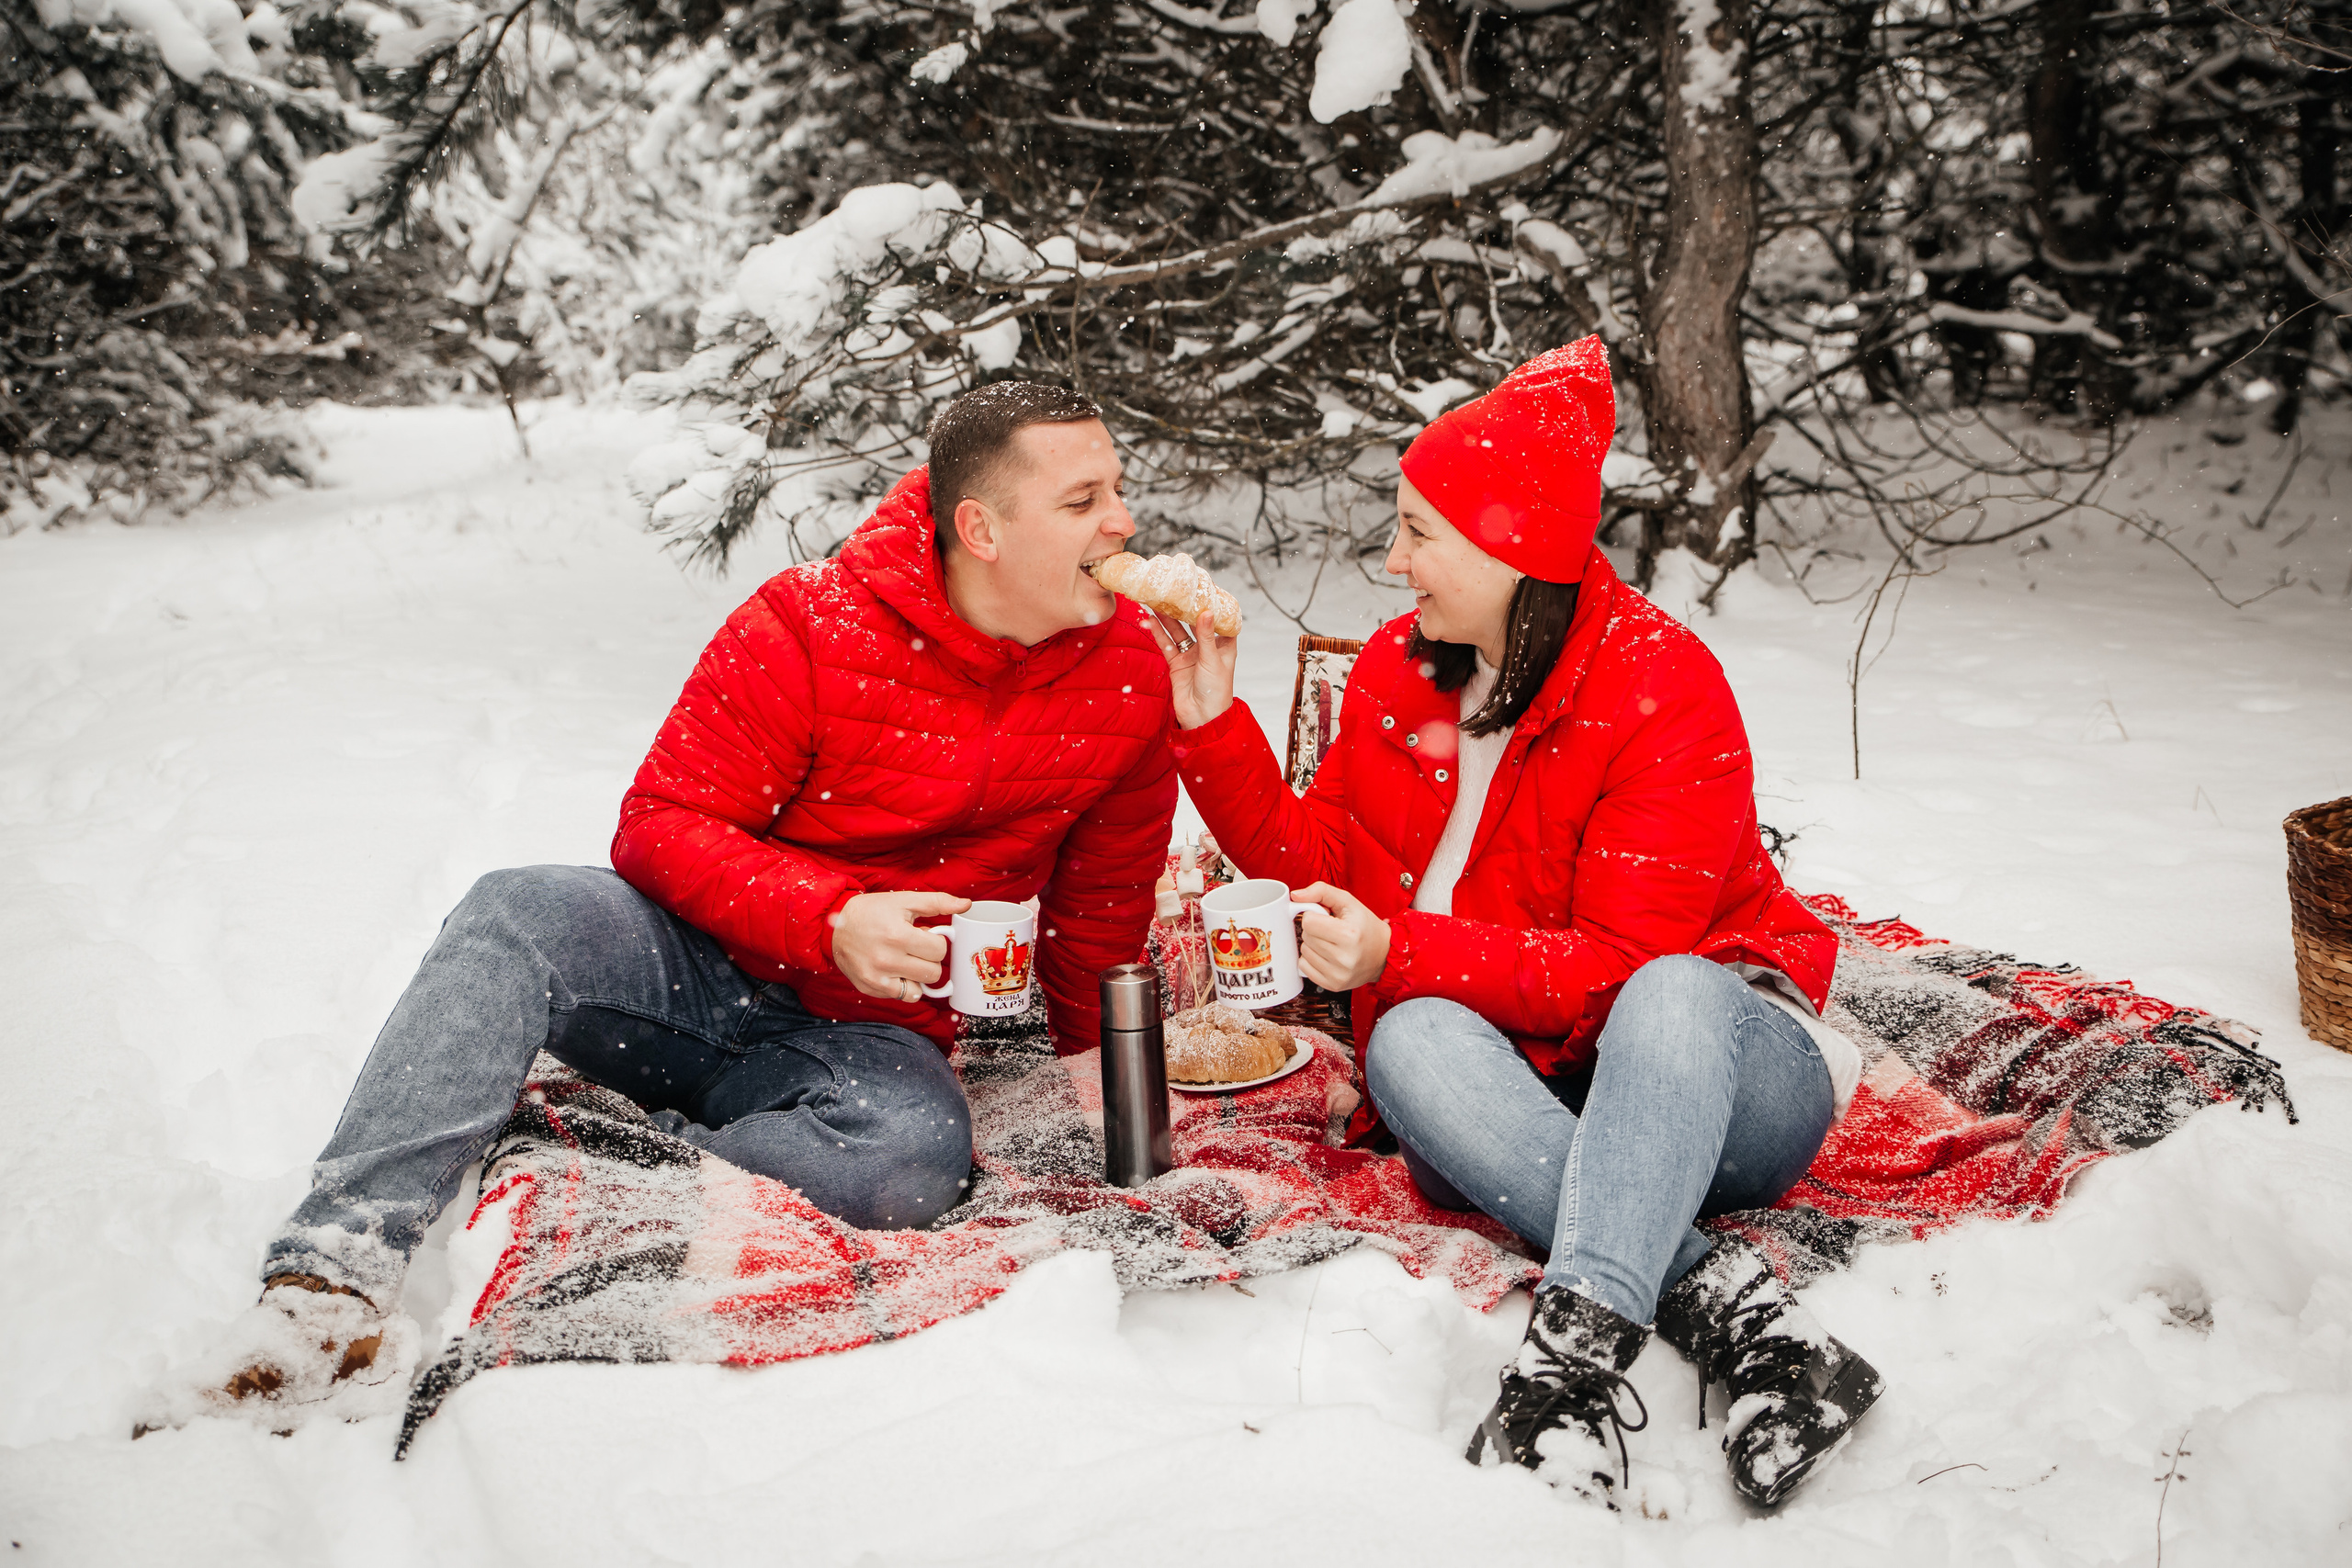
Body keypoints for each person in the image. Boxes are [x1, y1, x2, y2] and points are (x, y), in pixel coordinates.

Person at [195, 382, 1178, 1422]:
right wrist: (829, 918)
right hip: (693, 967)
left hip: (870, 1035)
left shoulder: (1125, 674)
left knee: (909, 1159)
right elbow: (659, 824)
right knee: (513, 910)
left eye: (1116, 489)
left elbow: (1099, 915)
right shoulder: (810, 622)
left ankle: (605, 1165)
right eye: (1084, 500)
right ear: (981, 527)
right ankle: (327, 1278)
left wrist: (1108, 1105)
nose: (1122, 520)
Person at [1155, 338, 1883, 1510]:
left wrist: (1401, 951)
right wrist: (1209, 724)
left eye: (1419, 532)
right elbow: (1320, 858)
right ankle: (1748, 1326)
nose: (1393, 562)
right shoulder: (1405, 671)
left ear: (1513, 548)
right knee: (1404, 1042)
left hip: (1720, 1077)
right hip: (1528, 1084)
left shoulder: (1662, 689)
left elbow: (1619, 971)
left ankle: (1569, 1372)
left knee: (1672, 989)